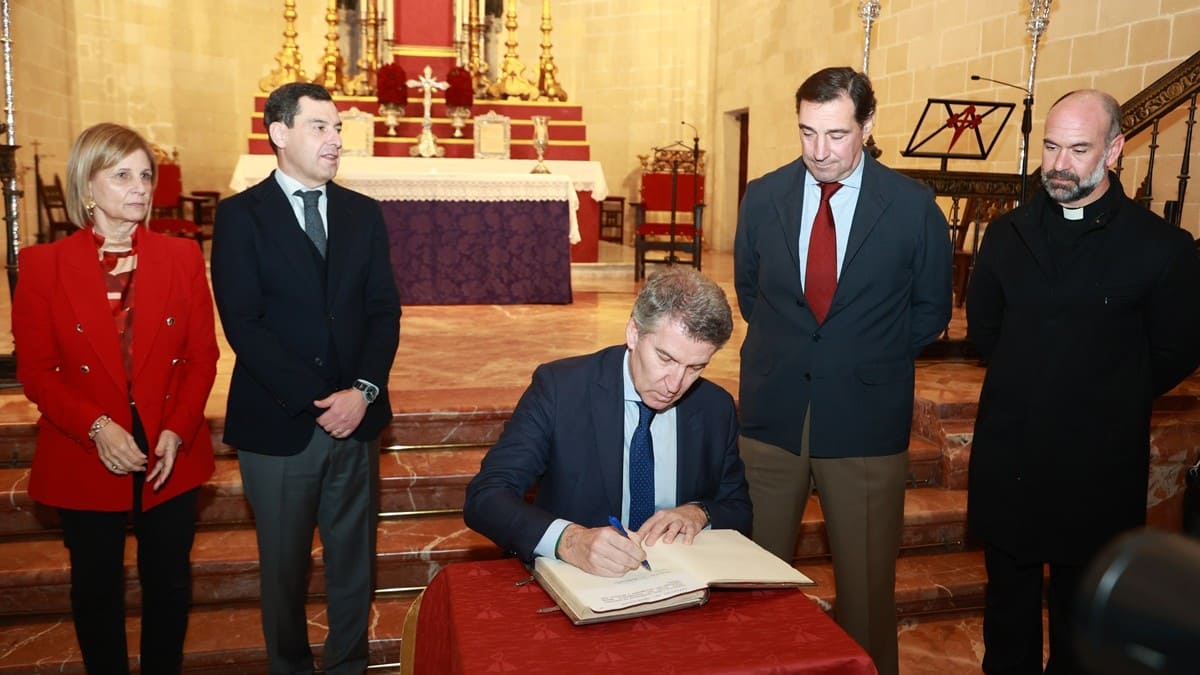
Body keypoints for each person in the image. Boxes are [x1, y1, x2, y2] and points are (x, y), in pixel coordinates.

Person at [966, 89, 1200, 674]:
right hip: (1011, 456)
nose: (1058, 165)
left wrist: (1104, 391)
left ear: (1114, 150)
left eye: (1077, 149)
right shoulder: (1006, 235)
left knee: (1080, 624)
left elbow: (1176, 348)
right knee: (1008, 619)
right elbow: (985, 332)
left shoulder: (1161, 249)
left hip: (1095, 467)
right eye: (1050, 147)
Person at [733, 66, 952, 674]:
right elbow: (752, 295)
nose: (820, 152)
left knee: (865, 587)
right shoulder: (764, 196)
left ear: (867, 126)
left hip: (864, 420)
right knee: (753, 580)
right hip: (772, 415)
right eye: (807, 133)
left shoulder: (912, 208)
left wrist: (860, 356)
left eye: (835, 134)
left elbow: (931, 312)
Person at [12, 122, 218, 674]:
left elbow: (203, 357)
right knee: (96, 589)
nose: (140, 188)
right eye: (122, 174)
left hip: (169, 445)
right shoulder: (42, 266)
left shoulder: (180, 259)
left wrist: (177, 427)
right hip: (85, 447)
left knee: (170, 585)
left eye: (145, 175)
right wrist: (98, 427)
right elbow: (37, 372)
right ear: (87, 185)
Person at [211, 82, 401, 675]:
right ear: (279, 133)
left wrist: (362, 393)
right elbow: (244, 323)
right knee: (284, 569)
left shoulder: (362, 213)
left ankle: (349, 666)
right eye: (321, 126)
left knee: (353, 564)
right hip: (281, 422)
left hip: (357, 423)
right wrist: (321, 400)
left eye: (338, 127)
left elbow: (383, 312)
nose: (336, 139)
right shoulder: (241, 216)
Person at [464, 267, 752, 577]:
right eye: (665, 358)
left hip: (677, 582)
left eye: (695, 367)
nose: (675, 383)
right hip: (578, 581)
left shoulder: (714, 406)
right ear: (633, 333)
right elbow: (486, 496)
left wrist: (700, 512)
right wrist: (568, 540)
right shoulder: (562, 389)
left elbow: (738, 508)